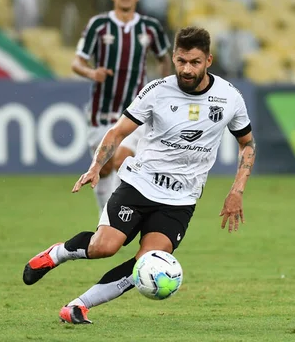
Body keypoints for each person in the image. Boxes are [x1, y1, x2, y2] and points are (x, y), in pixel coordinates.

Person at [22, 26, 257, 324]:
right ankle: (57, 254)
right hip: (139, 185)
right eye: (181, 61)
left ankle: (78, 307)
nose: (187, 69)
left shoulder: (229, 97)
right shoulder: (157, 91)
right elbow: (118, 131)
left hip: (180, 199)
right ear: (173, 57)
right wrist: (96, 166)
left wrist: (237, 190)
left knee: (145, 263)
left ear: (209, 60)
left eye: (194, 62)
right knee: (104, 247)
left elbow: (247, 145)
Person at [71, 0, 172, 217]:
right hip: (100, 110)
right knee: (103, 169)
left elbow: (164, 59)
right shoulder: (98, 25)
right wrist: (92, 73)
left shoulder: (150, 27)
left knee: (120, 160)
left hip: (134, 109)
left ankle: (115, 218)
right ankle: (106, 213)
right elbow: (77, 63)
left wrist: (164, 87)